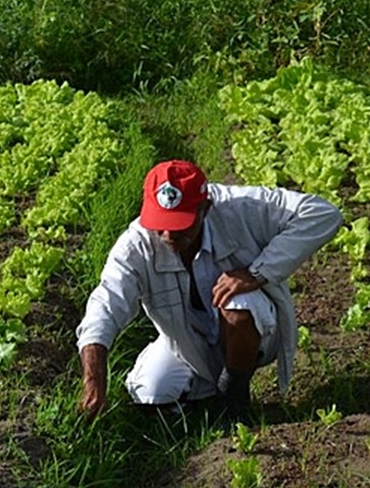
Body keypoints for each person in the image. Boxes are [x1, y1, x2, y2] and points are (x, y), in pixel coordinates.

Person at [76, 159, 343, 421]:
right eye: (161, 223)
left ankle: (233, 396)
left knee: (237, 302)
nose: (169, 235)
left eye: (181, 224)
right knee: (151, 392)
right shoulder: (136, 245)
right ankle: (205, 400)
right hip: (187, 341)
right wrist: (94, 381)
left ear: (206, 208)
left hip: (257, 331)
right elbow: (105, 306)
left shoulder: (242, 209)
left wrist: (257, 273)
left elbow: (323, 214)